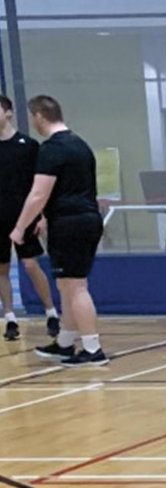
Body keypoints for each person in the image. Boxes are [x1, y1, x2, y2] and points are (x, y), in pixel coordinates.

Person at [9, 95, 107, 365]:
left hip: (70, 224)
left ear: (39, 116)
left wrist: (19, 228)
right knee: (67, 285)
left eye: (33, 117)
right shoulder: (80, 145)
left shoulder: (52, 149)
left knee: (75, 287)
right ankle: (65, 342)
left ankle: (92, 348)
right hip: (84, 219)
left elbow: (38, 194)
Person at [0, 95, 57, 342]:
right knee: (1, 269)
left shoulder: (29, 145)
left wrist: (43, 216)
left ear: (8, 112)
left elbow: (40, 186)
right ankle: (10, 318)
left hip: (25, 216)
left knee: (31, 264)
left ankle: (51, 312)